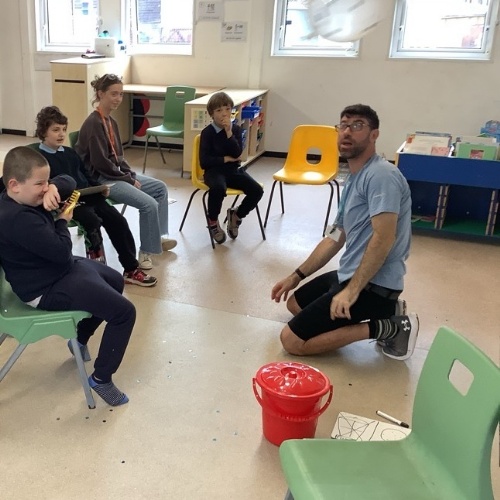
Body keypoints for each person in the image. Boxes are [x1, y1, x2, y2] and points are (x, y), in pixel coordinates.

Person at [271, 104, 419, 361]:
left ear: (374, 135)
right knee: (294, 303)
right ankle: (386, 312)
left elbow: (384, 238)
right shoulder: (353, 178)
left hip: (375, 284)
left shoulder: (381, 176)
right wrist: (296, 275)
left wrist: (351, 292)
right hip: (349, 273)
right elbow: (335, 236)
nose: (347, 132)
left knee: (292, 341)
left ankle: (390, 326)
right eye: (343, 125)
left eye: (358, 125)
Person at [0, 146, 135, 406]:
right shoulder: (18, 219)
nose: (45, 189)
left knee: (115, 281)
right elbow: (62, 252)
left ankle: (79, 340)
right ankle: (101, 378)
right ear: (15, 185)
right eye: (39, 184)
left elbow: (69, 180)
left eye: (47, 181)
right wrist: (62, 219)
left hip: (55, 270)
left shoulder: (20, 197)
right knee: (124, 313)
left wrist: (53, 186)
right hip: (45, 287)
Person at [34, 105, 157, 287]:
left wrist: (99, 188)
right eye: (55, 130)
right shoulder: (38, 158)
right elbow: (42, 185)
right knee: (91, 221)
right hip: (67, 202)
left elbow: (85, 174)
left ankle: (131, 269)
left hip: (89, 196)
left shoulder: (70, 153)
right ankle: (98, 271)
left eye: (64, 130)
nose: (61, 134)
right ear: (43, 131)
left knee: (118, 221)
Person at [75, 73, 176, 270]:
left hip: (115, 175)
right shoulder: (94, 123)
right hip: (101, 180)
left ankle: (157, 237)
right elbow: (101, 163)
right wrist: (127, 179)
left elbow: (119, 157)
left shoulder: (111, 121)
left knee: (160, 188)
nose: (118, 99)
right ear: (100, 94)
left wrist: (130, 175)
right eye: (113, 94)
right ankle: (146, 251)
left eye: (121, 94)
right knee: (148, 204)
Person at [199, 91, 264, 243]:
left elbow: (237, 153)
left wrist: (228, 133)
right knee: (218, 188)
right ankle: (213, 221)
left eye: (227, 109)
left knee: (256, 190)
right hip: (213, 171)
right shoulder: (207, 133)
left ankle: (237, 215)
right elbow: (204, 161)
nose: (224, 113)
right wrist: (224, 159)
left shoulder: (235, 130)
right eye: (219, 110)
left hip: (233, 170)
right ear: (211, 114)